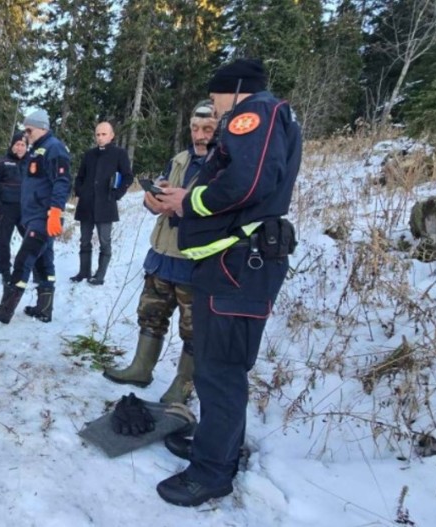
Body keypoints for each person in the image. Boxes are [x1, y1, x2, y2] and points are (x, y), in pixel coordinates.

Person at [154, 59, 301, 506]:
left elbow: (244, 183)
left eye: (217, 98)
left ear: (233, 90)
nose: (215, 111)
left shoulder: (251, 114)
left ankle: (211, 473)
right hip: (240, 261)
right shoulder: (274, 116)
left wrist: (189, 200)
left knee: (219, 370)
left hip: (238, 263)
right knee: (222, 366)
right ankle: (216, 445)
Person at [102, 101, 218, 405]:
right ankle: (141, 368)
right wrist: (153, 199)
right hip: (162, 255)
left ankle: (182, 385)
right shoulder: (179, 159)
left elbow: (222, 210)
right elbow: (158, 197)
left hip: (195, 261)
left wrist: (182, 207)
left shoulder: (225, 165)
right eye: (195, 128)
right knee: (150, 314)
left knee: (194, 330)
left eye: (207, 128)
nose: (200, 135)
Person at [0, 109, 71, 324]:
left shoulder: (54, 148)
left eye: (29, 130)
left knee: (23, 260)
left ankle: (5, 310)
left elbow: (62, 181)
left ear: (42, 127)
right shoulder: (37, 150)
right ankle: (44, 309)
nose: (26, 134)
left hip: (44, 216)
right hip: (33, 216)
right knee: (44, 261)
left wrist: (55, 211)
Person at [70, 122, 134, 285]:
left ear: (112, 135)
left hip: (106, 203)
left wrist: (116, 194)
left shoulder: (119, 153)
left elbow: (128, 176)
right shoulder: (89, 154)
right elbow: (80, 177)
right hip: (86, 204)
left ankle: (100, 275)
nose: (100, 137)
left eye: (104, 134)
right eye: (98, 134)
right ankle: (84, 272)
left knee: (105, 241)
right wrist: (80, 191)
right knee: (84, 239)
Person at [0, 132, 27, 284]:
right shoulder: (1, 162)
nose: (20, 148)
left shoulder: (32, 163)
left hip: (26, 210)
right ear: (12, 146)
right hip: (6, 209)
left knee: (31, 240)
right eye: (17, 144)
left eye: (23, 145)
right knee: (3, 241)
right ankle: (5, 271)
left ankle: (31, 269)